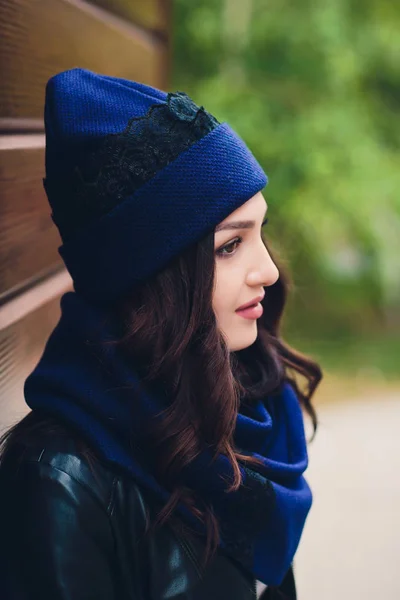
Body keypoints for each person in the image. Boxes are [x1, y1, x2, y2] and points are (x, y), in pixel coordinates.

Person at [0, 68, 322, 600]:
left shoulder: (249, 402)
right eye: (228, 246)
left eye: (259, 233)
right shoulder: (59, 481)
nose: (267, 270)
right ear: (149, 276)